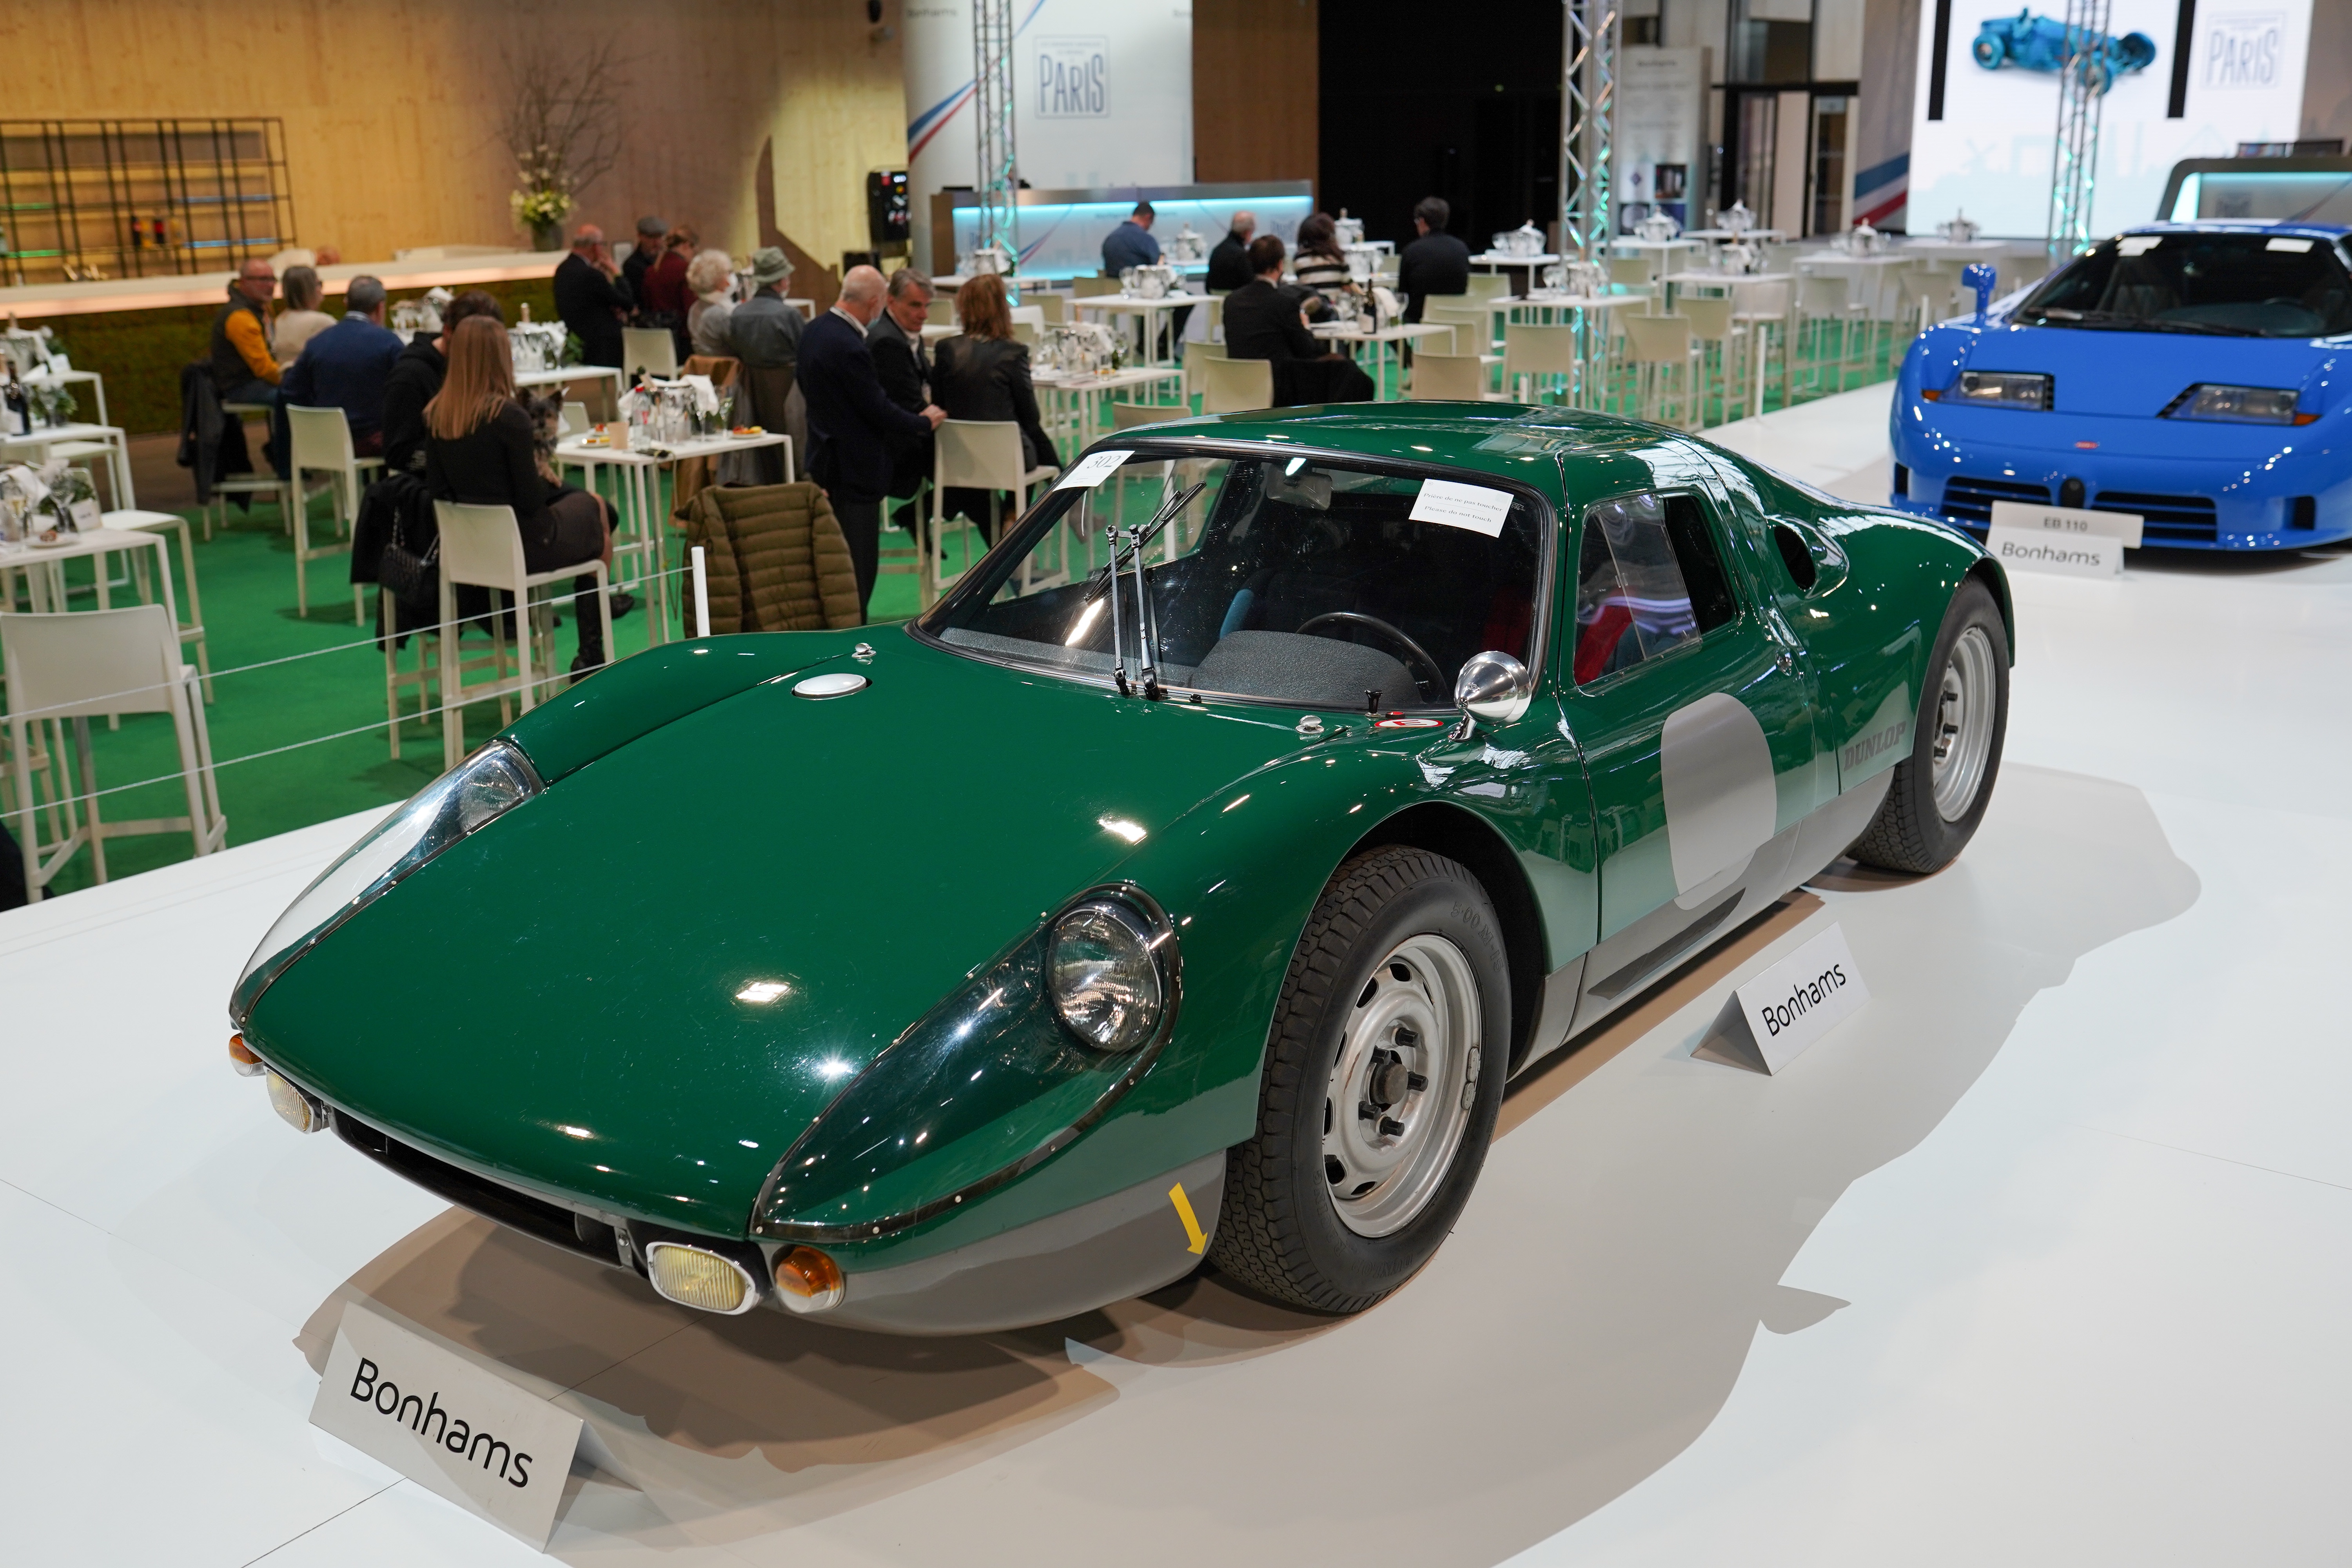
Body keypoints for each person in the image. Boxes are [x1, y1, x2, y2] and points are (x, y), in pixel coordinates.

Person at [423, 316, 622, 673]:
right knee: (596, 509)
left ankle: (591, 654)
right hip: (526, 543)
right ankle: (591, 655)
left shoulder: (437, 414)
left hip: (469, 548)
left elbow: (438, 491)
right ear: (500, 358)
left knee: (591, 506)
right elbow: (530, 500)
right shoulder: (508, 417)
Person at [797, 265, 945, 616]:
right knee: (859, 567)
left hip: (824, 458)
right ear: (878, 303)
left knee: (835, 561)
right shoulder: (850, 346)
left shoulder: (813, 330)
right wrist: (922, 423)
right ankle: (855, 628)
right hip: (855, 467)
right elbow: (876, 407)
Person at [930, 272, 1059, 544]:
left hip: (957, 457)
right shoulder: (1013, 352)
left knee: (1020, 442)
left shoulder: (945, 349)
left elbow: (939, 405)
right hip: (1007, 458)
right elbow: (1031, 416)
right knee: (1030, 439)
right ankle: (1017, 515)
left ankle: (1008, 529)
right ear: (1002, 309)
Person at [1221, 235, 1376, 407]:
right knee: (1352, 375)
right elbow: (1308, 351)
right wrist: (1305, 327)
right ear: (1280, 265)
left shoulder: (1231, 301)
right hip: (1279, 388)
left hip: (1235, 384)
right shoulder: (1284, 302)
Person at [280, 275, 404, 456]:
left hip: (325, 441)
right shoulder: (389, 343)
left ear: (346, 303)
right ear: (380, 307)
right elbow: (404, 393)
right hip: (371, 441)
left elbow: (291, 391)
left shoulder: (317, 342)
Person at [382, 289, 503, 475]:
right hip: (436, 482)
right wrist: (461, 454)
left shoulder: (478, 366)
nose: (481, 352)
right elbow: (398, 454)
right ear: (448, 332)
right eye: (472, 343)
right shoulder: (410, 377)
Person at [209, 258, 289, 475]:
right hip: (241, 386)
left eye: (272, 279)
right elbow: (263, 368)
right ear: (243, 282)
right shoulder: (240, 317)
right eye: (262, 280)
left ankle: (285, 453)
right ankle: (285, 462)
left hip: (253, 381)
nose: (270, 285)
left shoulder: (260, 309)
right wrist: (293, 380)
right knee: (291, 396)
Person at [867, 267, 935, 520]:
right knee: (970, 464)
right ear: (891, 301)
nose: (924, 315)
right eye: (916, 305)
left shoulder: (904, 334)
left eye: (927, 306)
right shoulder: (888, 342)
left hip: (910, 432)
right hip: (898, 446)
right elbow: (913, 405)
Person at [553, 224, 630, 369]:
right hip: (602, 344)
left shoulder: (562, 269)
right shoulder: (591, 275)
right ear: (595, 247)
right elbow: (627, 302)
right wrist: (616, 272)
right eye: (602, 244)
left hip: (576, 340)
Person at [1398, 195, 1472, 324]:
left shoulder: (1412, 251)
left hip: (1419, 321)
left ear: (1422, 221)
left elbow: (1403, 294)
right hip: (1457, 319)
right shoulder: (1462, 249)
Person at [728, 247, 804, 370]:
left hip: (749, 383)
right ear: (784, 282)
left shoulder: (737, 314)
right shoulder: (790, 315)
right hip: (789, 382)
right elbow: (805, 355)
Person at [1292, 212, 1356, 318]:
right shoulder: (1339, 257)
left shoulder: (1300, 259)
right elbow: (1347, 288)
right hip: (1334, 314)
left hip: (1311, 314)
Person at [272, 265, 335, 362]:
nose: (321, 289)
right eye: (319, 284)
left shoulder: (280, 320)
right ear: (309, 289)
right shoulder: (322, 322)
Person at [685, 250, 737, 358]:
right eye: (729, 272)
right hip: (727, 365)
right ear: (719, 280)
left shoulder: (695, 308)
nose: (732, 277)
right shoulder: (719, 313)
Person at [1101, 200, 1161, 274]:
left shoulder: (1111, 238)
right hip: (1138, 281)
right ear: (1148, 217)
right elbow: (1159, 267)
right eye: (1151, 224)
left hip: (1111, 282)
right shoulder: (1146, 240)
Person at [621, 215, 666, 309]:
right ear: (640, 237)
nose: (657, 242)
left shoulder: (667, 260)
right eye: (651, 237)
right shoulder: (632, 265)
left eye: (659, 237)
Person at [1206, 210, 1256, 292]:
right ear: (1248, 232)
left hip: (1214, 298)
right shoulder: (1241, 255)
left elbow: (1208, 286)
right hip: (1237, 299)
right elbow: (1249, 285)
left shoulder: (1217, 251)